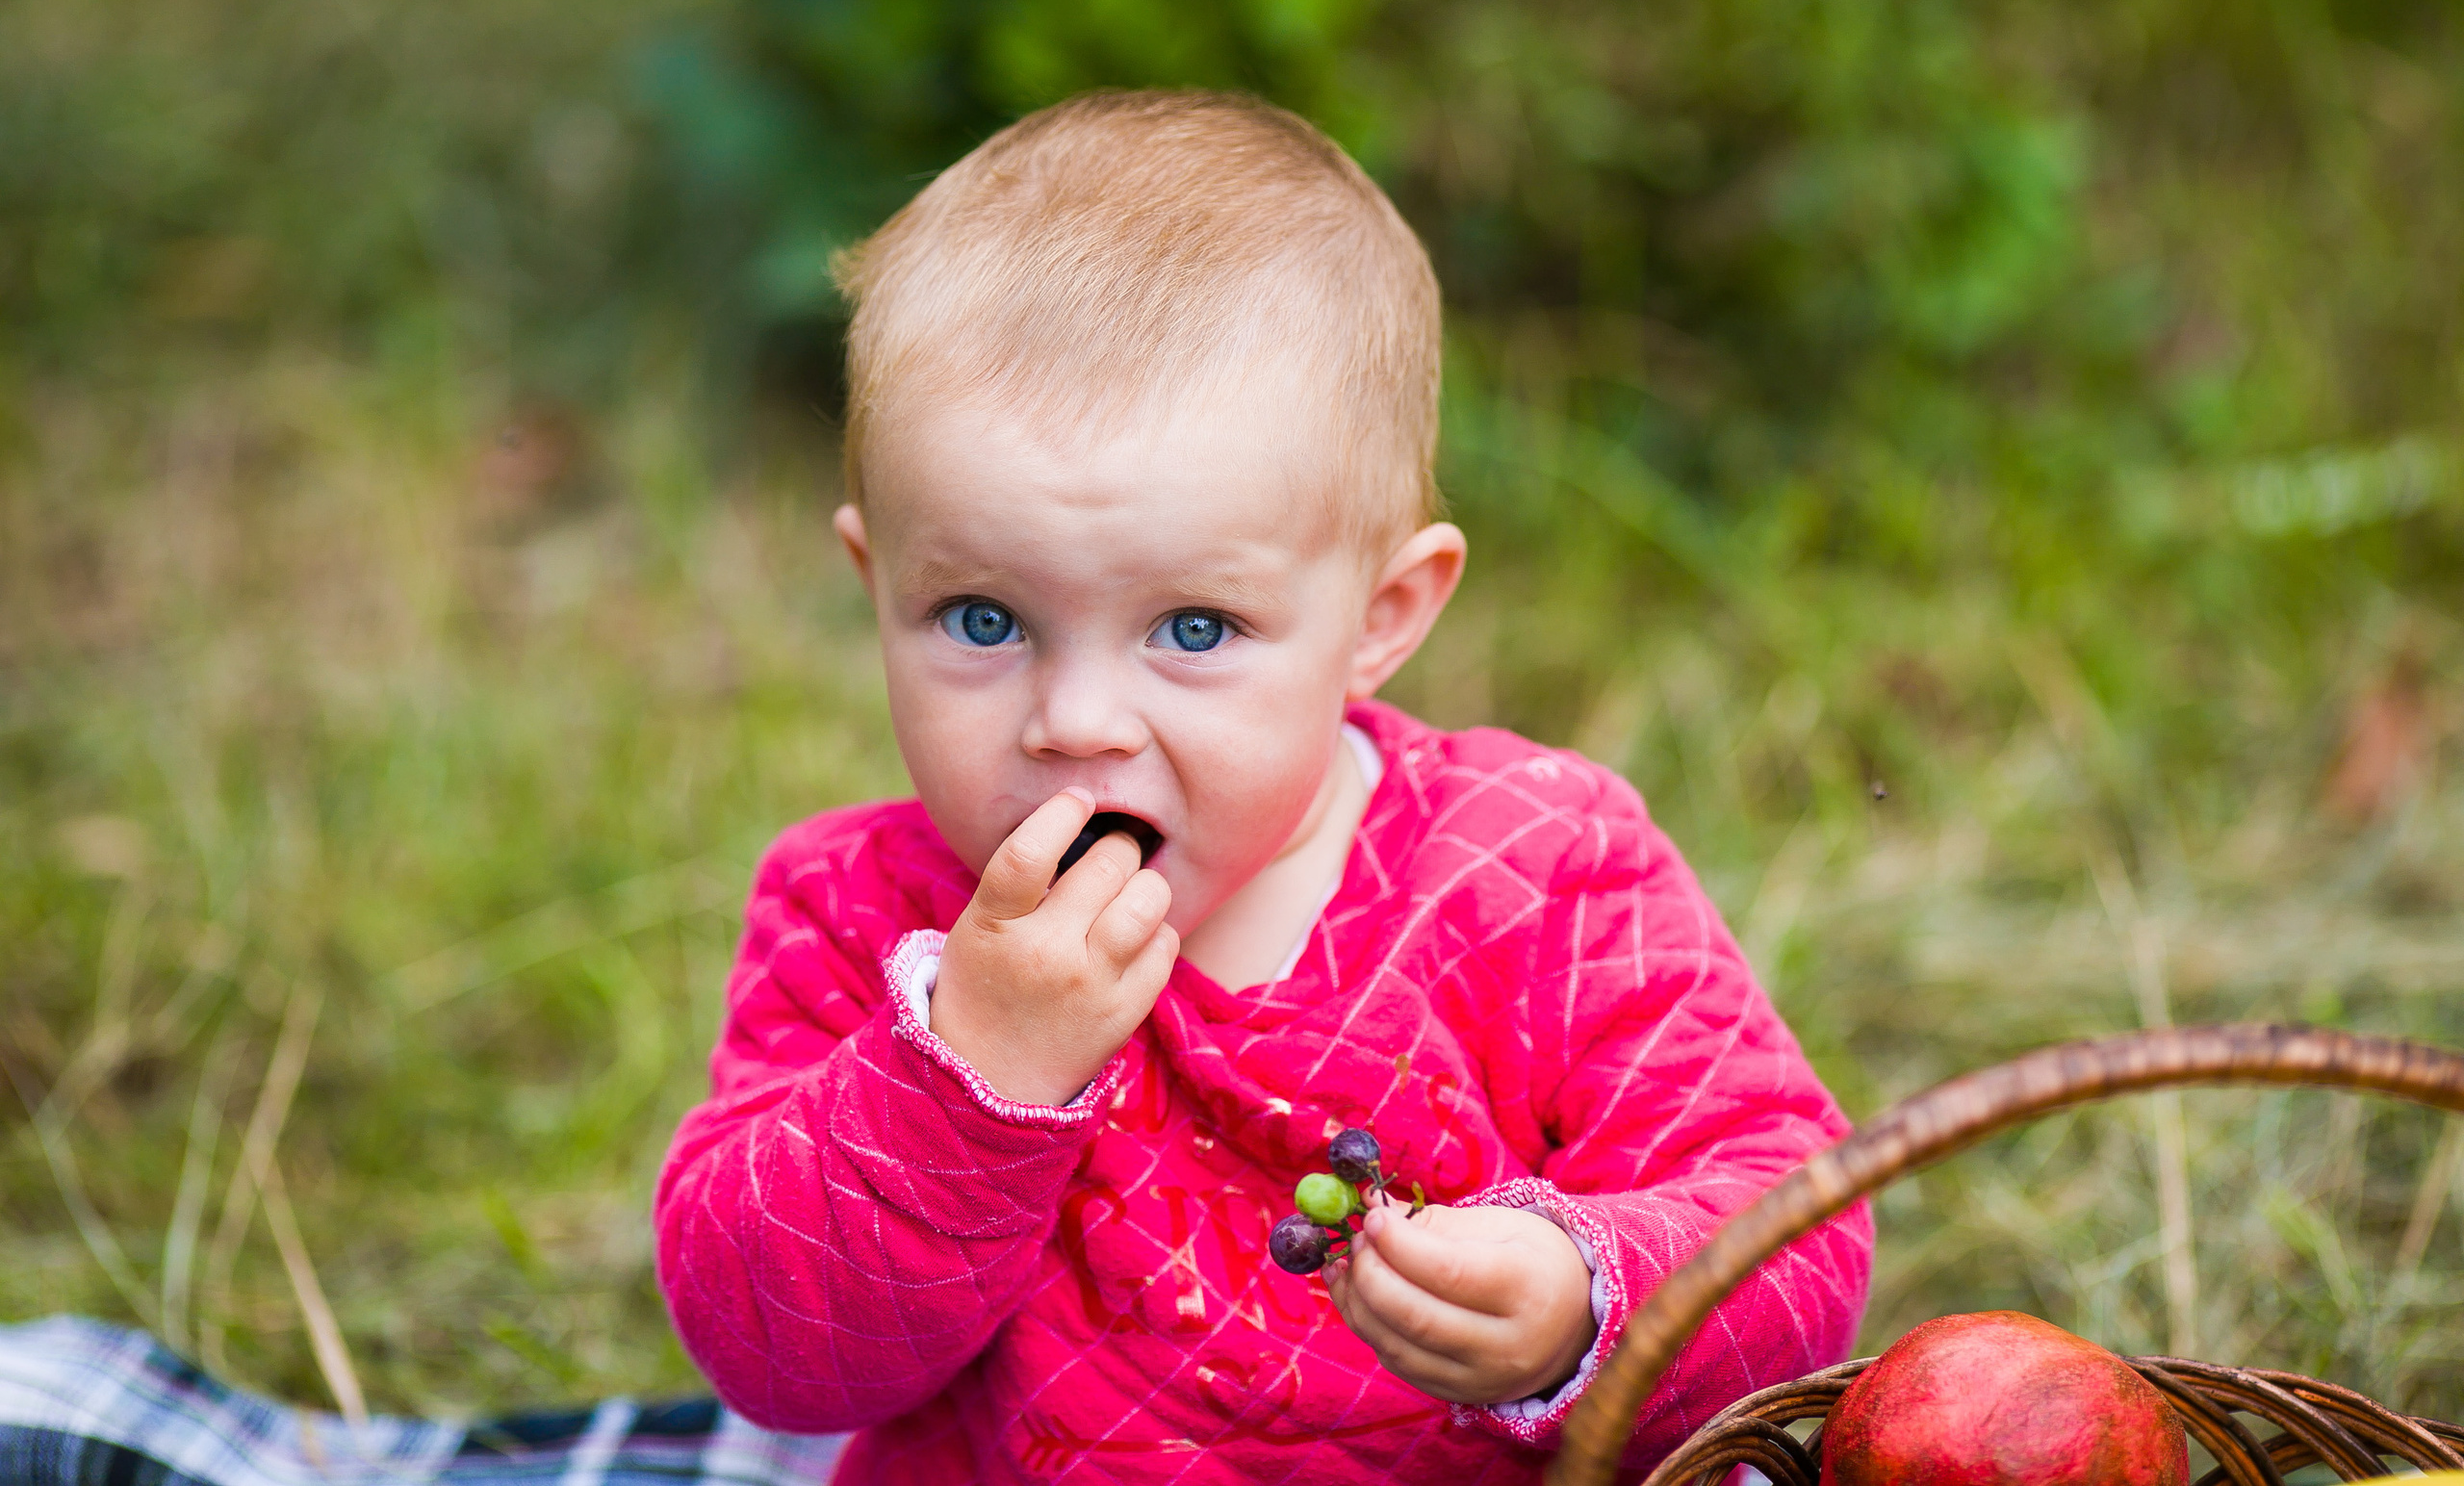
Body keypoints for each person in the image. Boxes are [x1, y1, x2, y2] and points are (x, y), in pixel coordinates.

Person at [654, 89, 1871, 1483]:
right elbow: (772, 1357)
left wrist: (1590, 1298)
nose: (1077, 721)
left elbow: (1798, 1218)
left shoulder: (1533, 867)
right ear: (880, 589)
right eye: (984, 620)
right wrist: (963, 1077)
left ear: (1382, 614)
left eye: (1195, 630)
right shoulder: (859, 916)